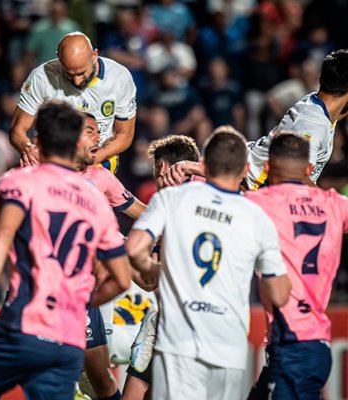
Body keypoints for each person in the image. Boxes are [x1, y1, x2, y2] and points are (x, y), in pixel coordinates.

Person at [0, 102, 131, 400]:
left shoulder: (21, 180)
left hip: (25, 325)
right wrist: (77, 302)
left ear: (39, 141)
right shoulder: (94, 198)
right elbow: (121, 279)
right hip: (69, 338)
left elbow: (2, 234)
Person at [126, 128, 292, 399]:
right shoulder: (256, 216)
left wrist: (160, 272)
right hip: (229, 344)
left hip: (178, 338)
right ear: (246, 169)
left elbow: (134, 248)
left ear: (205, 165)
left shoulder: (171, 199)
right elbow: (280, 292)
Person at [245, 134, 348, 399]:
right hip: (312, 342)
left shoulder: (257, 204)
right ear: (309, 169)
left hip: (292, 342)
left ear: (267, 167)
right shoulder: (335, 205)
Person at [162, 49, 348, 190]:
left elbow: (336, 113)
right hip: (246, 185)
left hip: (244, 173)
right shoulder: (313, 125)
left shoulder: (318, 104)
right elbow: (295, 175)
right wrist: (326, 204)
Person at [121, 134, 201, 400]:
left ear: (163, 168)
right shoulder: (216, 196)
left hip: (179, 323)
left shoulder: (169, 204)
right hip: (197, 322)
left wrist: (118, 250)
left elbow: (151, 279)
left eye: (156, 169)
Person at [10, 32, 137, 172]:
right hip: (53, 161)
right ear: (59, 58)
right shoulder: (41, 77)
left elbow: (125, 135)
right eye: (69, 74)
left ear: (94, 56)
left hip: (98, 161)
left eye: (82, 73)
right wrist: (27, 149)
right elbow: (17, 130)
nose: (77, 80)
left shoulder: (119, 78)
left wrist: (91, 159)